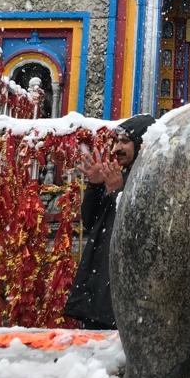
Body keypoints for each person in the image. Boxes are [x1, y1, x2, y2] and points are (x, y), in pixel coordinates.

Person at [64, 113, 156, 329]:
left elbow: (138, 230)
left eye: (124, 141)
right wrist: (96, 186)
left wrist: (117, 194)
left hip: (124, 294)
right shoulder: (119, 176)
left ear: (143, 142)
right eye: (115, 141)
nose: (116, 149)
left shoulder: (152, 178)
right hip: (100, 289)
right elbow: (91, 223)